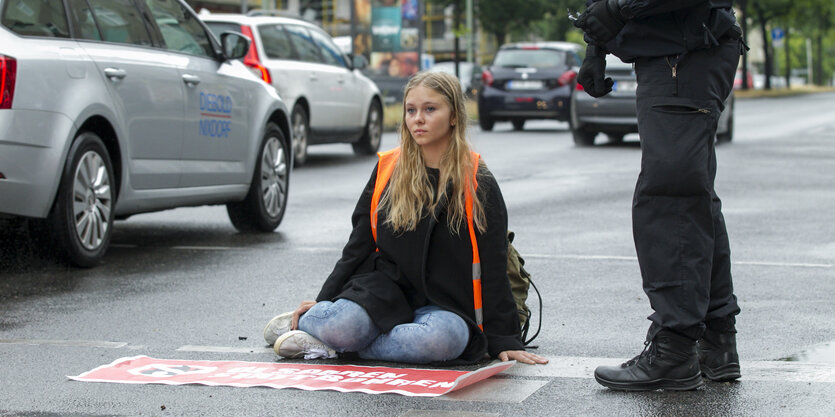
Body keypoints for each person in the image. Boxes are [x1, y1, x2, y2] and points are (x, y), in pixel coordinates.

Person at [263, 71, 548, 366]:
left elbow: (493, 261)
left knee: (443, 341)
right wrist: (326, 299)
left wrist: (504, 338)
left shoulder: (478, 179)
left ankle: (337, 347)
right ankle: (313, 326)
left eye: (430, 109)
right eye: (411, 110)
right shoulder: (388, 169)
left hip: (447, 304)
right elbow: (358, 245)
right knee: (342, 326)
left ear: (454, 116)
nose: (417, 119)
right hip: (385, 292)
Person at [572, 0, 743, 390]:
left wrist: (615, 11)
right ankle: (716, 341)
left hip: (685, 52)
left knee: (670, 199)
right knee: (691, 195)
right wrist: (595, 47)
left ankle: (675, 350)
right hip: (675, 51)